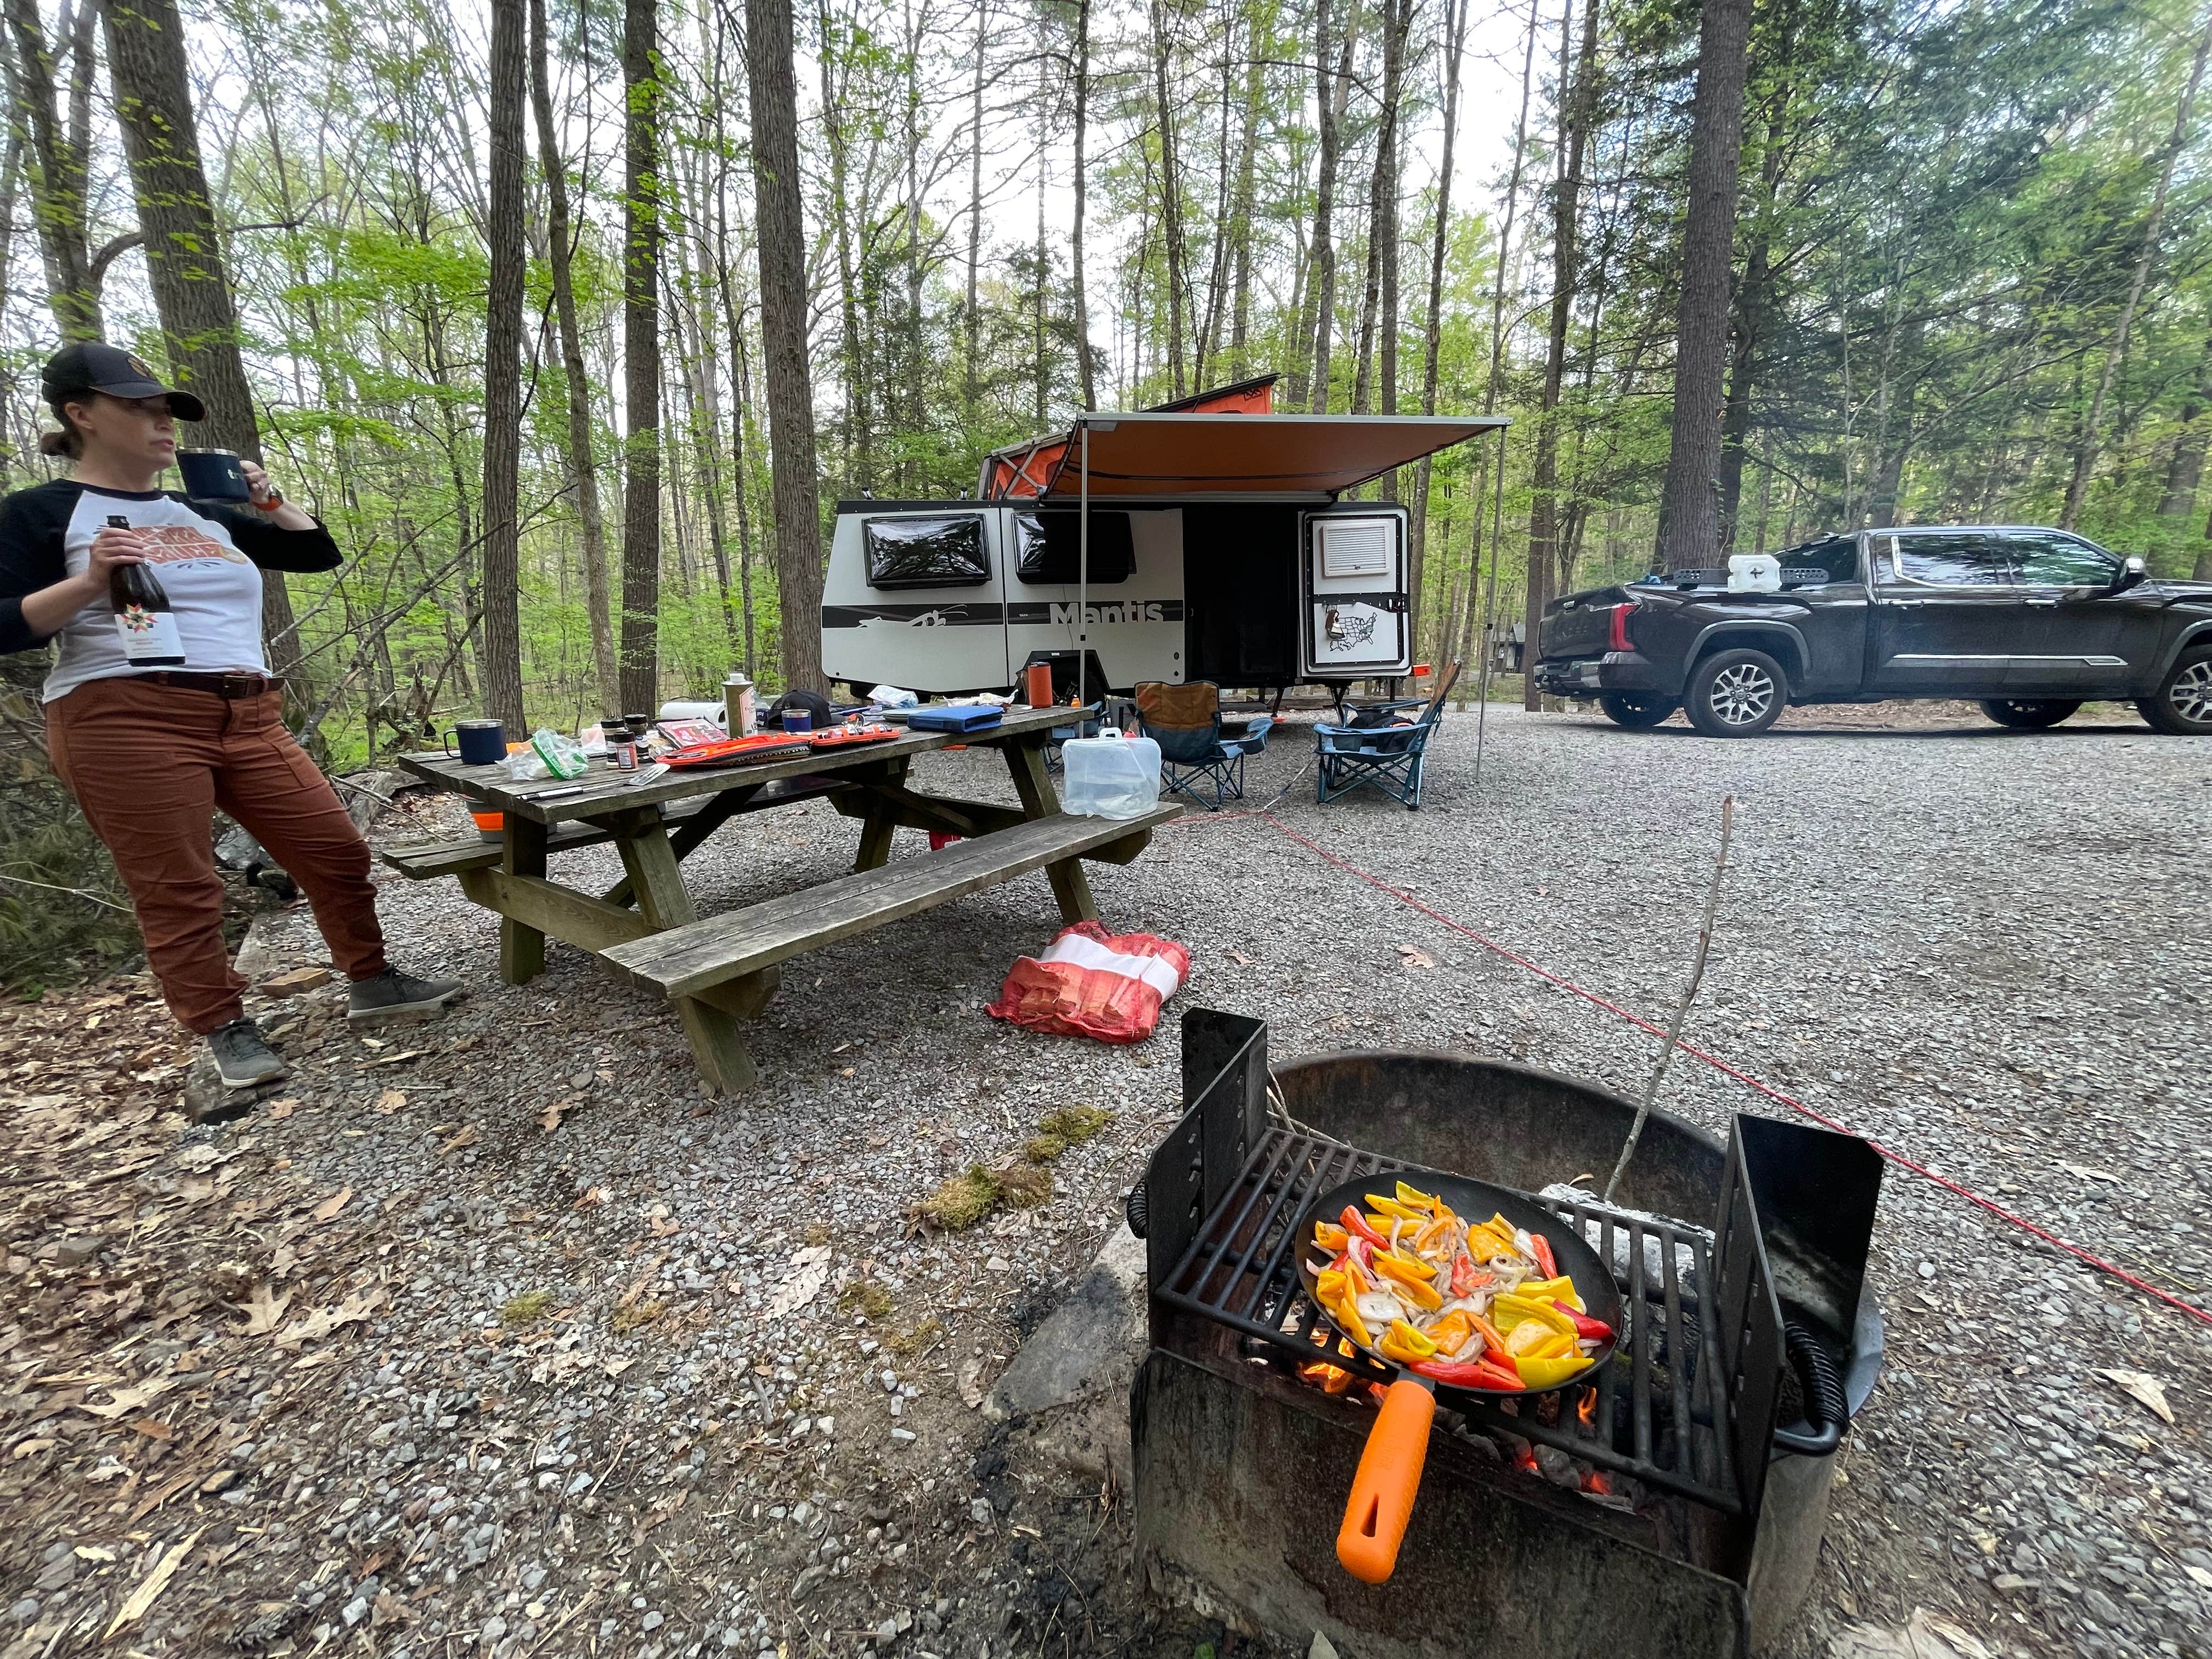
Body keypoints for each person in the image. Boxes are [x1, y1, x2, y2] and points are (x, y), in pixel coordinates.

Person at [0, 341, 464, 1088]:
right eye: (137, 408)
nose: (160, 423)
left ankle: (372, 980)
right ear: (79, 415)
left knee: (335, 849)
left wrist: (270, 503)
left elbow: (317, 553)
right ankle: (223, 1027)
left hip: (248, 711)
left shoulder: (201, 511)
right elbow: (4, 626)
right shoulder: (40, 512)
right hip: (123, 716)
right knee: (179, 886)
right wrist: (91, 581)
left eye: (165, 410)